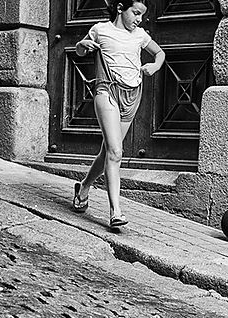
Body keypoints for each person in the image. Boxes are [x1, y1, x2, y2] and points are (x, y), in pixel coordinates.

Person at [72, 0, 165, 229]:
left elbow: (159, 53)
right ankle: (116, 212)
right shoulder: (101, 30)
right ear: (121, 8)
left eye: (141, 15)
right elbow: (80, 51)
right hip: (107, 91)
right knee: (116, 152)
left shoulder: (140, 35)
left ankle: (84, 186)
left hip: (132, 95)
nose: (139, 19)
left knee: (107, 152)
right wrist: (82, 44)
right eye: (136, 13)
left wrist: (155, 65)